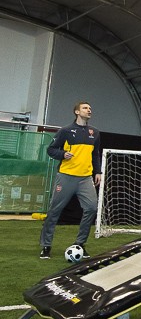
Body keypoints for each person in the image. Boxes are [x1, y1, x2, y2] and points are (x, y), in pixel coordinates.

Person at [39, 101, 101, 259]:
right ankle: (46, 246)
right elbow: (51, 149)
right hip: (66, 176)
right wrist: (63, 154)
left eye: (90, 108)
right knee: (54, 211)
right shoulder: (65, 131)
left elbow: (95, 154)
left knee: (91, 208)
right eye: (85, 108)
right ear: (77, 112)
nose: (89, 110)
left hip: (85, 178)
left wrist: (98, 171)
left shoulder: (94, 132)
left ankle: (80, 244)